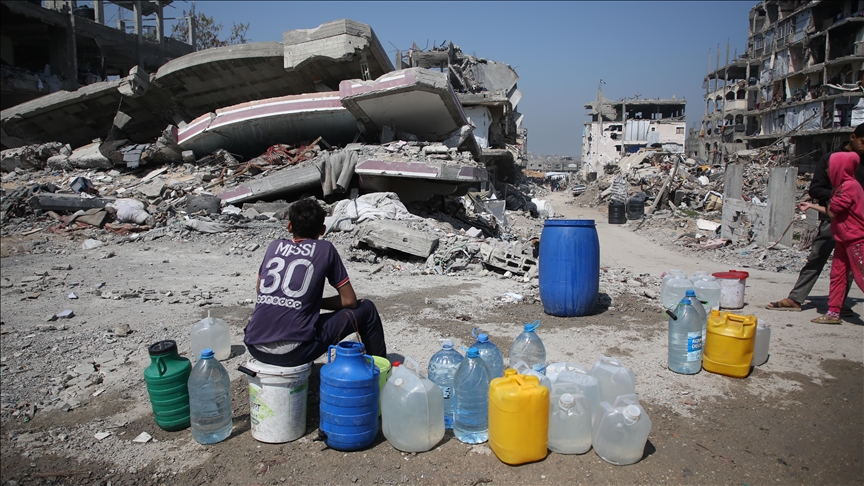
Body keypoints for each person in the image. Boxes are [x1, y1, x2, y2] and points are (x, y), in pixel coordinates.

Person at [244, 198, 387, 366]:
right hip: (294, 352)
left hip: (255, 346)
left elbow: (259, 288)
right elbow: (349, 301)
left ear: (290, 227)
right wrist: (314, 302)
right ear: (323, 230)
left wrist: (302, 302)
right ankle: (379, 370)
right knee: (367, 308)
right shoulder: (325, 249)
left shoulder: (274, 246)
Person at [767, 124, 864, 313]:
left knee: (850, 266)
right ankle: (796, 298)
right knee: (817, 258)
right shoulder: (831, 160)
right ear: (853, 137)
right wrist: (843, 197)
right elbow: (816, 189)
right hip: (832, 220)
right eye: (863, 141)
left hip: (856, 224)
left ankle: (838, 305)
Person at [798, 152, 864, 324]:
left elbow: (833, 212)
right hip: (844, 237)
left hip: (856, 239)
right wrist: (812, 205)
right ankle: (833, 313)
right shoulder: (843, 187)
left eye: (831, 166)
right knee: (838, 275)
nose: (827, 170)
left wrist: (813, 205)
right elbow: (834, 212)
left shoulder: (849, 187)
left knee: (862, 277)